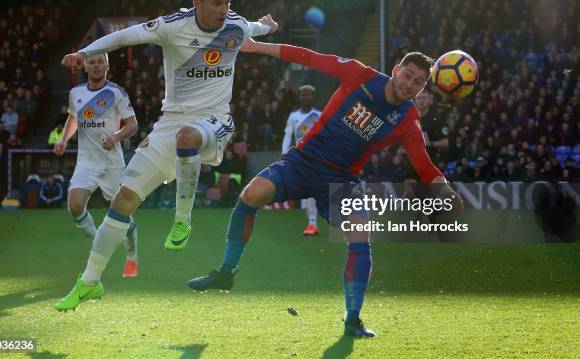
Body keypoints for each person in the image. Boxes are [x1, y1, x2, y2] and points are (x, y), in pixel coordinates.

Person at [188, 39, 463, 338]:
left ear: (423, 89)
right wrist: (254, 46)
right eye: (408, 75)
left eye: (419, 82)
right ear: (396, 71)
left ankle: (353, 320)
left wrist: (446, 191)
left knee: (360, 234)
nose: (410, 85)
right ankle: (226, 273)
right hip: (303, 161)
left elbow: (424, 166)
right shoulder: (360, 75)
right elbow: (308, 57)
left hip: (341, 180)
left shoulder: (408, 120)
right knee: (251, 195)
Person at [55, 0, 277, 311]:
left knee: (188, 138)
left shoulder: (234, 26)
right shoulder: (173, 26)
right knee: (123, 201)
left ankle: (183, 218)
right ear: (197, 3)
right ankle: (89, 282)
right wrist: (84, 52)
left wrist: (265, 25)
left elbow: (253, 27)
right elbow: (124, 38)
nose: (224, 9)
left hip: (215, 119)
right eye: (217, 3)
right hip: (169, 124)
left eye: (228, 3)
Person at [53, 53, 139, 278]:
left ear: (107, 66)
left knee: (123, 215)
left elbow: (132, 125)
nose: (96, 65)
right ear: (85, 66)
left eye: (101, 61)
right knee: (75, 205)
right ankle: (96, 242)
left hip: (112, 164)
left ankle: (131, 257)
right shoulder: (76, 93)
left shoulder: (116, 92)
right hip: (87, 162)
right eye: (92, 62)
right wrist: (63, 140)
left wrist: (116, 137)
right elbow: (73, 119)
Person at [281, 85, 322, 235]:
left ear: (313, 97)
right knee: (307, 191)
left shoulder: (319, 115)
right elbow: (288, 135)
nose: (306, 97)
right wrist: (284, 153)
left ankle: (312, 223)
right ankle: (312, 222)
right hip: (300, 157)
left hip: (316, 157)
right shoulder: (293, 116)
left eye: (309, 95)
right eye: (303, 94)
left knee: (313, 190)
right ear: (299, 97)